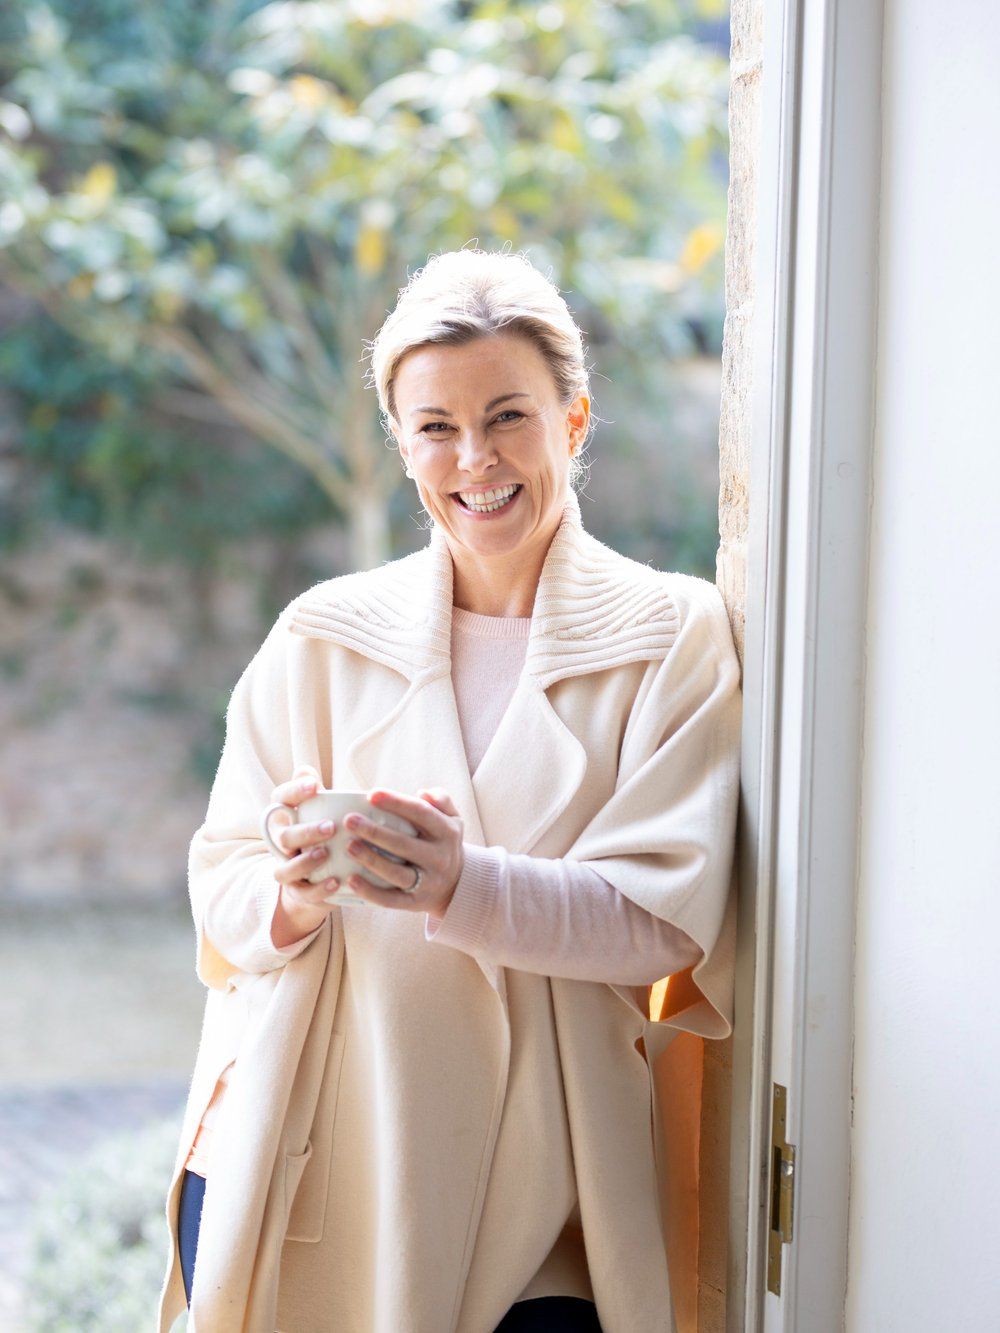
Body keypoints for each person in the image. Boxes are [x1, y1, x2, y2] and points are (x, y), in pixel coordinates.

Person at [157, 247, 742, 1333]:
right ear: (400, 445)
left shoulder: (670, 633)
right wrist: (291, 893)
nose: (475, 458)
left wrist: (458, 883)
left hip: (547, 1177)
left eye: (508, 415)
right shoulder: (320, 635)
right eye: (435, 427)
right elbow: (223, 889)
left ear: (572, 420)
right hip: (323, 1143)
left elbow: (664, 918)